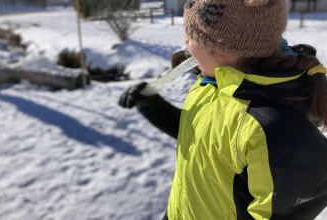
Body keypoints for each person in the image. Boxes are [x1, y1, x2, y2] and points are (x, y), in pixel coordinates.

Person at [119, 0, 327, 219]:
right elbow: (206, 139)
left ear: (222, 51)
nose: (185, 43)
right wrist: (151, 105)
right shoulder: (214, 86)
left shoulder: (271, 126)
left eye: (191, 37)